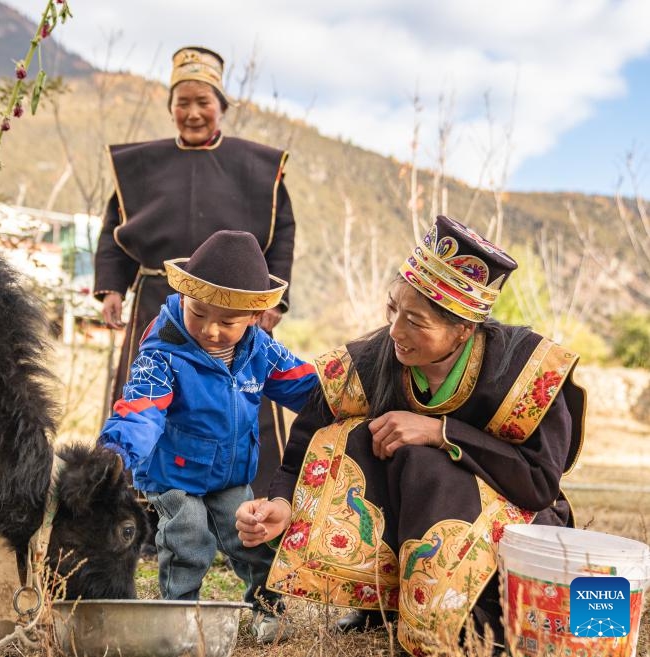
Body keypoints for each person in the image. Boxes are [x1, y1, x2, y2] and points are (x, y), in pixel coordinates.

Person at [235, 216, 586, 655]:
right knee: (353, 436)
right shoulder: (376, 358)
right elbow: (307, 438)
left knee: (424, 463)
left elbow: (539, 485)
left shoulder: (523, 374)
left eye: (416, 321)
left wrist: (443, 433)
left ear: (463, 329)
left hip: (512, 526)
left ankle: (449, 617)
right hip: (423, 508)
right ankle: (383, 601)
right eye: (392, 309)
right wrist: (283, 504)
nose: (396, 330)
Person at [93, 45, 296, 501]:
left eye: (203, 101)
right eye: (182, 102)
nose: (192, 112)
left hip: (238, 310)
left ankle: (255, 505)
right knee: (153, 398)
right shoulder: (139, 166)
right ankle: (141, 506)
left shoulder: (257, 168)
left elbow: (281, 231)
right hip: (156, 300)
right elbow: (114, 229)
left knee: (244, 399)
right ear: (170, 109)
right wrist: (111, 288)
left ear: (220, 106)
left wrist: (273, 301)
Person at [98, 230, 319, 644]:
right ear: (183, 297)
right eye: (198, 313)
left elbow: (305, 385)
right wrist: (115, 452)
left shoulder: (260, 350)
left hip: (228, 474)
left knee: (251, 534)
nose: (211, 330)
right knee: (190, 534)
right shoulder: (163, 352)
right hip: (173, 473)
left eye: (227, 322)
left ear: (254, 318)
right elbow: (142, 409)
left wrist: (346, 395)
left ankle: (268, 607)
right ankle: (182, 616)